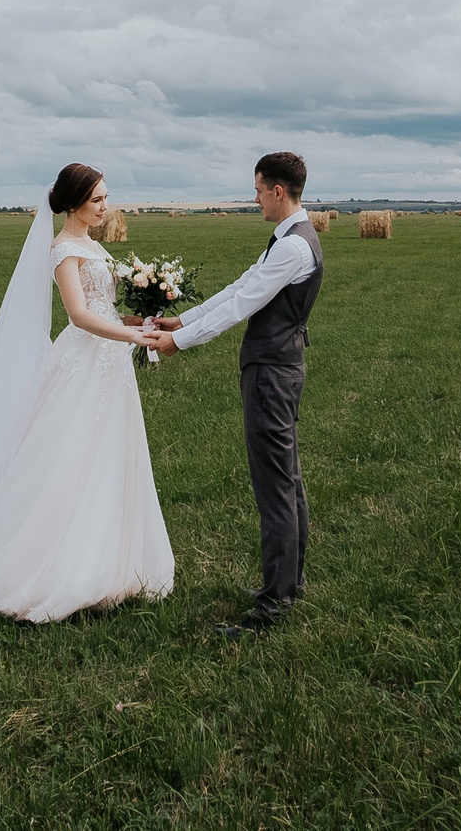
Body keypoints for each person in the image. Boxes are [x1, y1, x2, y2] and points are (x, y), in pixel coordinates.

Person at [0, 164, 174, 622]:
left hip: (110, 363)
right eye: (98, 199)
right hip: (85, 360)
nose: (106, 206)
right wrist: (130, 338)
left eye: (106, 197)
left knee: (109, 455)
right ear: (74, 202)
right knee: (65, 455)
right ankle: (42, 565)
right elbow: (79, 315)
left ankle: (113, 559)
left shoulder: (95, 244)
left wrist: (141, 321)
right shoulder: (63, 249)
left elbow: (105, 308)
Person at [145, 151, 320, 634]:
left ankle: (275, 604)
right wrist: (184, 318)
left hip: (272, 374)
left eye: (260, 190)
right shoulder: (290, 239)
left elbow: (241, 305)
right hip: (277, 369)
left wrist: (177, 342)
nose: (257, 199)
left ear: (278, 191)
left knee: (276, 487)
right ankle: (288, 583)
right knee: (286, 478)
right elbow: (240, 287)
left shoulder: (293, 247)